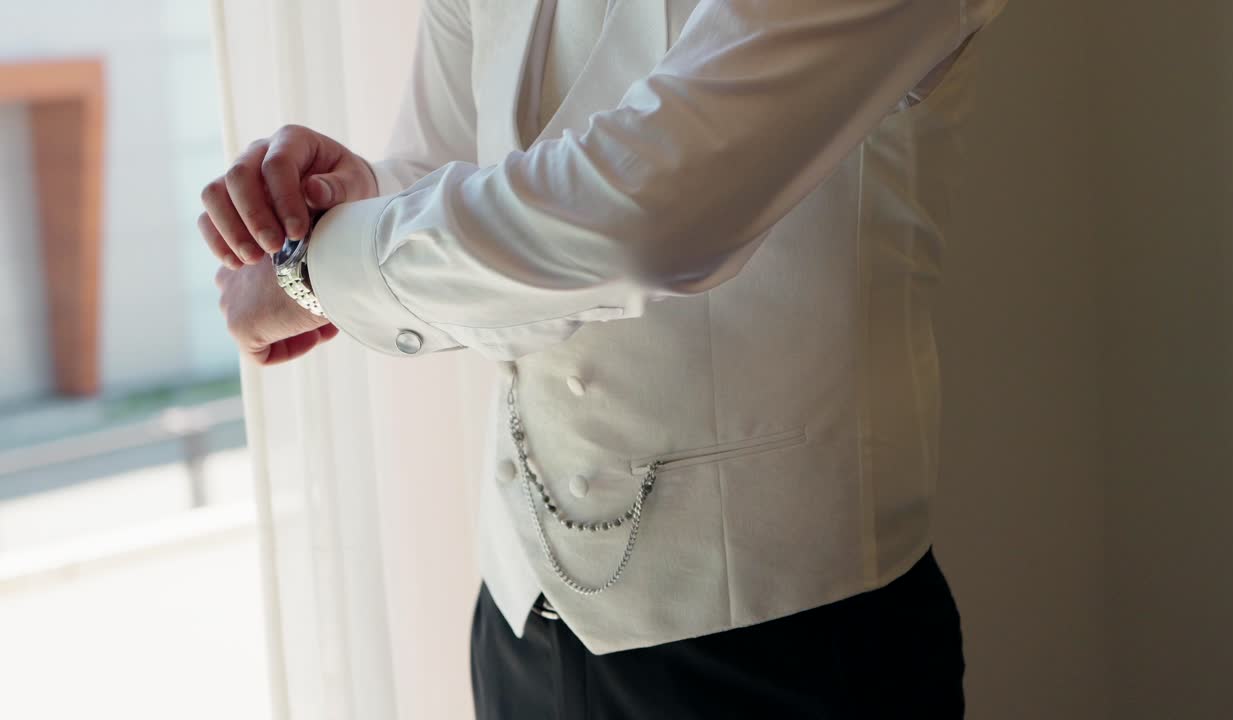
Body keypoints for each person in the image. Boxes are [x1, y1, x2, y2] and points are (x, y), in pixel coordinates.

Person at [204, 0, 1010, 716]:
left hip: (789, 648)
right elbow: (449, 170)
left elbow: (646, 214)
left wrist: (320, 275)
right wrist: (345, 203)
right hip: (519, 624)